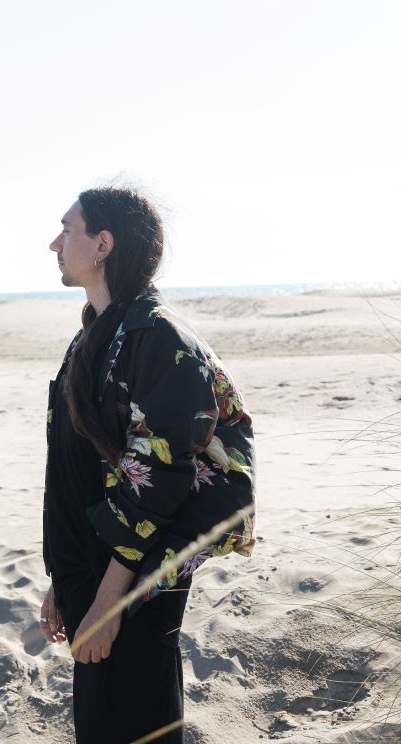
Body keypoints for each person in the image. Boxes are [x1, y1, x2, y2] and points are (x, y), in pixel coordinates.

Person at [39, 187, 255, 744]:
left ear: (103, 244)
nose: (54, 244)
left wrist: (109, 604)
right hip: (94, 571)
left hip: (135, 581)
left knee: (139, 722)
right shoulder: (95, 335)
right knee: (100, 722)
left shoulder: (159, 338)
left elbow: (159, 482)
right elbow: (76, 467)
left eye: (68, 230)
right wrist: (63, 580)